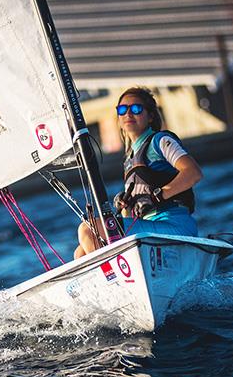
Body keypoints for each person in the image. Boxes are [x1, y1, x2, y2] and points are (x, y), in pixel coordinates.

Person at [74, 87, 203, 259]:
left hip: (174, 225)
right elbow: (131, 217)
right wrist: (126, 206)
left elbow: (193, 173)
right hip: (149, 228)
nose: (128, 114)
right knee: (80, 252)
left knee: (89, 229)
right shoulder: (130, 158)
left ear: (150, 116)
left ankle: (114, 276)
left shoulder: (160, 141)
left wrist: (158, 196)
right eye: (122, 110)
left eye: (136, 109)